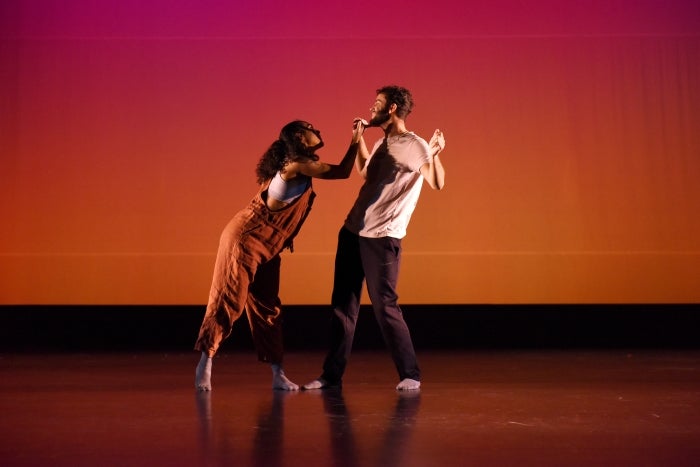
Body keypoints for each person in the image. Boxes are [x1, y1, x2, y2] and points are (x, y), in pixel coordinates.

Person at [195, 120, 363, 392]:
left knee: (268, 308)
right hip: (244, 239)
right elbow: (343, 172)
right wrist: (356, 139)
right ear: (299, 136)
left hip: (269, 245)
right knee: (229, 298)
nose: (318, 130)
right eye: (311, 128)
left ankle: (277, 374)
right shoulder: (294, 164)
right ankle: (206, 361)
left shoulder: (294, 163)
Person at [303, 85, 446, 392]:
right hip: (353, 231)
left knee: (385, 306)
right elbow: (367, 175)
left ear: (393, 108)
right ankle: (331, 377)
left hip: (382, 237)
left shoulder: (413, 144)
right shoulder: (384, 142)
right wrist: (359, 143)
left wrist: (433, 154)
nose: (372, 108)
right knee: (343, 306)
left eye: (378, 104)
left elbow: (436, 182)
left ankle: (411, 374)